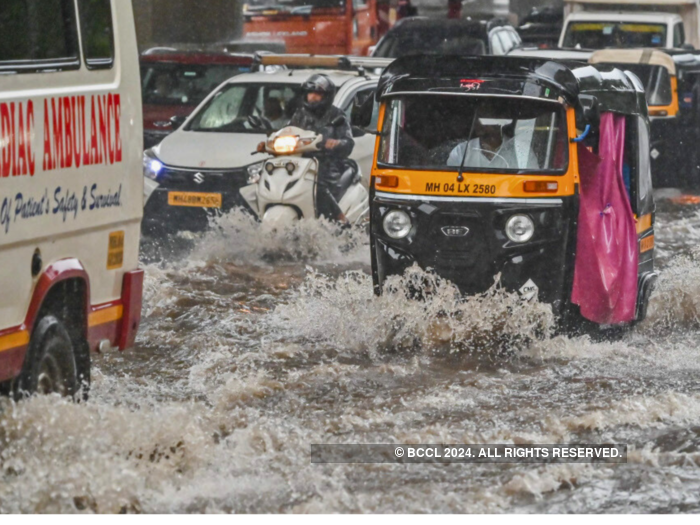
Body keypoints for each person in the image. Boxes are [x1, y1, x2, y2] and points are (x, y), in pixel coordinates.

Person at [261, 74, 354, 223]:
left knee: (317, 184)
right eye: (310, 93)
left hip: (327, 163)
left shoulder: (337, 115)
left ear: (327, 96)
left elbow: (348, 142)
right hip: (301, 161)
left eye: (317, 94)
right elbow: (288, 131)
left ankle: (339, 218)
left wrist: (336, 143)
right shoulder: (300, 114)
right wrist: (271, 142)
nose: (312, 97)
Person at [447, 119, 539, 170]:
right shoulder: (461, 152)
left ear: (498, 124)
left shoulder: (521, 152)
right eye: (476, 118)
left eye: (484, 119)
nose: (478, 123)